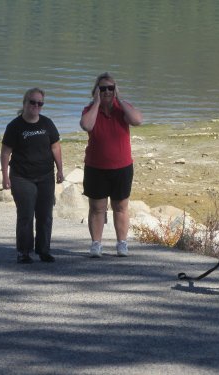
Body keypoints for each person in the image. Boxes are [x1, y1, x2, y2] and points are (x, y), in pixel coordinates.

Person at [80, 72, 143, 258]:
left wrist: (120, 99)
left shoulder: (122, 109)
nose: (107, 91)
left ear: (115, 90)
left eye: (110, 88)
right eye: (102, 88)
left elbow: (137, 120)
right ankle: (96, 244)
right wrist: (97, 103)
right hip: (96, 167)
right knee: (97, 208)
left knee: (121, 207)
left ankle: (122, 244)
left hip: (122, 167)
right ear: (96, 91)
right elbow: (86, 125)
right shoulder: (90, 109)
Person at [0, 88, 64, 264]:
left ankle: (44, 250)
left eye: (39, 103)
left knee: (45, 214)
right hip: (22, 177)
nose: (36, 106)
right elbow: (6, 153)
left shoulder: (47, 124)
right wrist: (5, 176)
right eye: (32, 102)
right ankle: (24, 252)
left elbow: (56, 147)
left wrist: (60, 169)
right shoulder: (15, 126)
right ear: (24, 103)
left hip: (45, 176)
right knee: (26, 214)